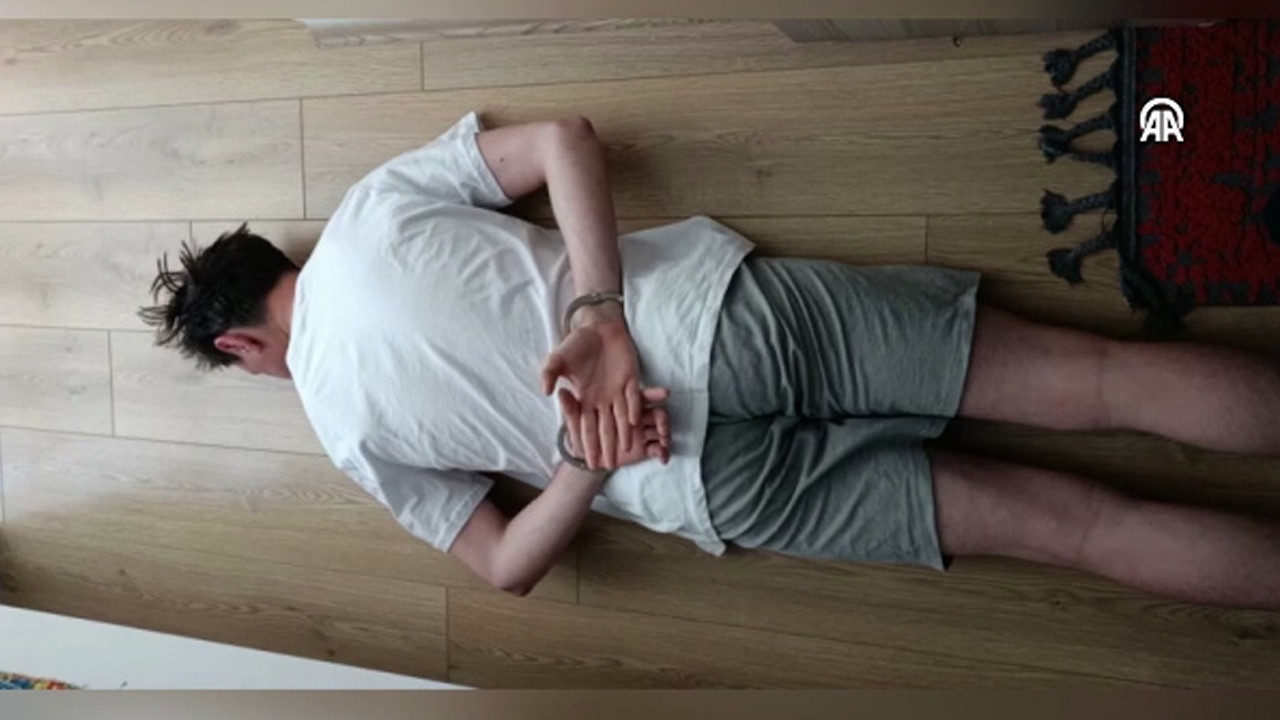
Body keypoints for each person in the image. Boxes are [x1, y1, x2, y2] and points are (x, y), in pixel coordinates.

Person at [140, 112, 1280, 610]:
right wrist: (601, 315)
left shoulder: (343, 434)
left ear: (240, 346)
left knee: (1077, 531)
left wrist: (585, 463)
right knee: (1097, 379)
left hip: (689, 481)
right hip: (714, 319)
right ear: (276, 262)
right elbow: (564, 141)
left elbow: (504, 568)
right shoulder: (370, 206)